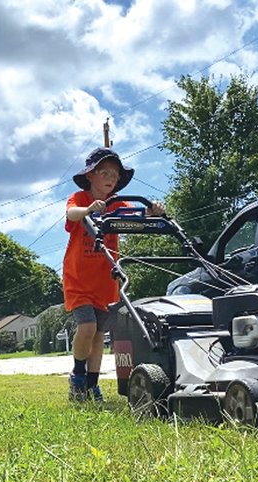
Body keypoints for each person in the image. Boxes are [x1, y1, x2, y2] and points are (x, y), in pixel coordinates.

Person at [63, 147, 164, 402]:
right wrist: (88, 211)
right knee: (87, 326)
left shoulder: (118, 204)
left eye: (114, 174)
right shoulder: (79, 198)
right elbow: (71, 214)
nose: (110, 178)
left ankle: (92, 383)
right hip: (78, 280)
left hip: (105, 281)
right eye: (104, 172)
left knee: (98, 335)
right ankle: (77, 377)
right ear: (90, 176)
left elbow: (137, 215)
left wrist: (152, 212)